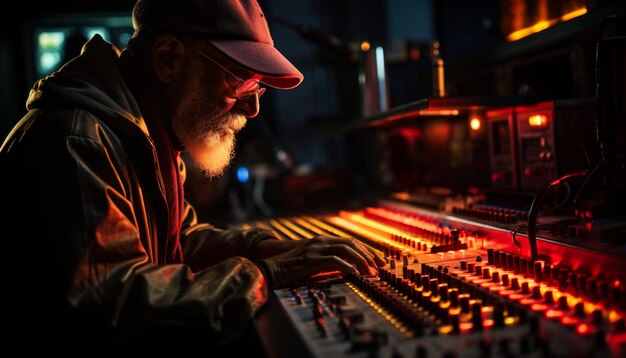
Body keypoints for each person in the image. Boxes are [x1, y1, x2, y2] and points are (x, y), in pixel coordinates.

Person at [0, 0, 384, 353]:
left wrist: (260, 248)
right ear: (169, 58)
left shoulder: (148, 130)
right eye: (241, 81)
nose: (252, 109)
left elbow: (179, 242)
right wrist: (268, 273)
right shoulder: (78, 141)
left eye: (259, 89)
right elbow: (110, 306)